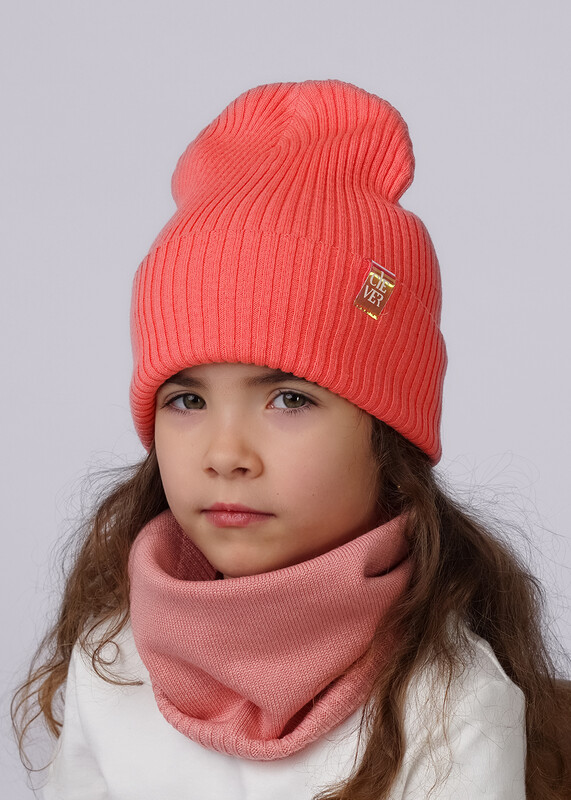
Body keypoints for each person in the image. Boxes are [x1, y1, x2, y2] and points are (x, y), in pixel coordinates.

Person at [12, 80, 570, 799]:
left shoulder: (450, 703)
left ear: (388, 437)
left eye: (290, 399)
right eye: (187, 399)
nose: (225, 454)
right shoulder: (112, 660)